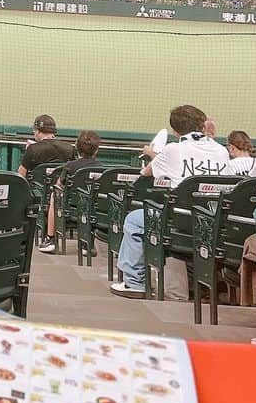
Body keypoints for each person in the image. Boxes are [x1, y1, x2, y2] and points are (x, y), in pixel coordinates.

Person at [112, 105, 229, 297]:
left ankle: (134, 283)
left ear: (175, 130)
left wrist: (152, 154)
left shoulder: (173, 149)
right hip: (214, 223)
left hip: (181, 222)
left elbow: (146, 173)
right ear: (203, 125)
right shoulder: (222, 151)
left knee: (134, 220)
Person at [38, 130, 101, 253]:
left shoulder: (70, 166)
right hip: (92, 207)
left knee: (54, 195)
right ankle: (88, 245)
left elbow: (59, 185)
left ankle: (50, 239)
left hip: (70, 206)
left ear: (77, 148)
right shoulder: (100, 167)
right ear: (96, 150)